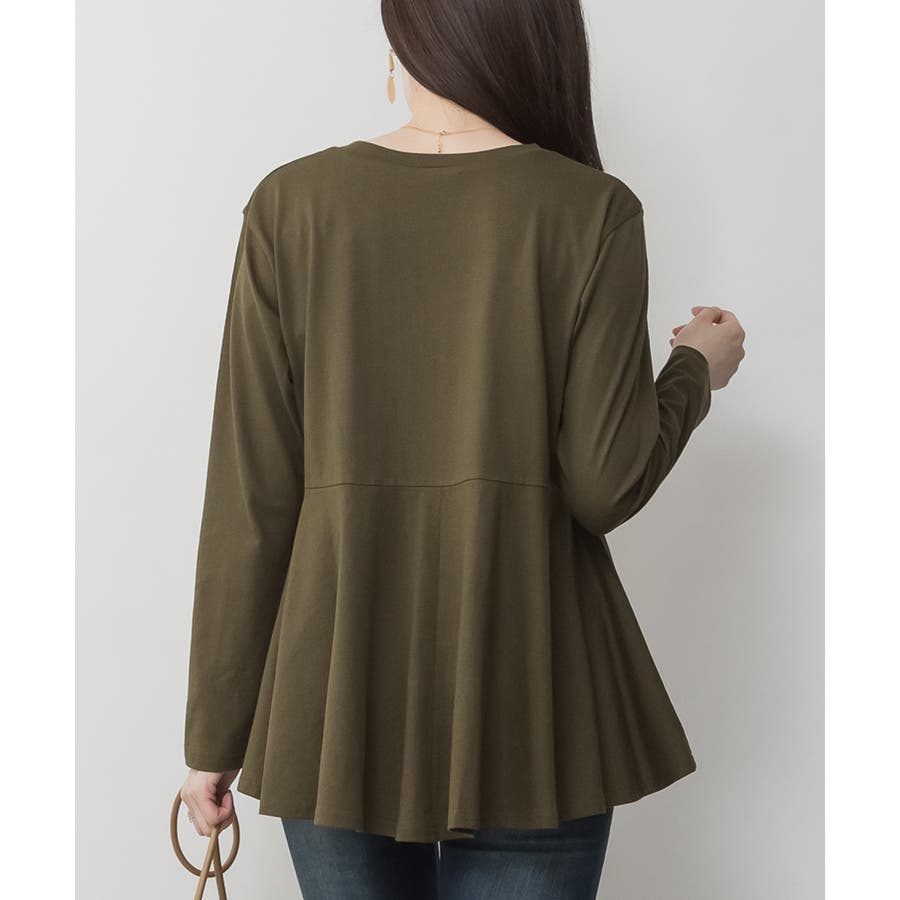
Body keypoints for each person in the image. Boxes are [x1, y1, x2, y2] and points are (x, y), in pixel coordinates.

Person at [178, 1, 746, 897]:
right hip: (534, 690)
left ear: (402, 43)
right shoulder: (590, 209)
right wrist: (693, 373)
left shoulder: (290, 204)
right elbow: (606, 482)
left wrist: (214, 735)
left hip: (335, 697)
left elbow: (251, 495)